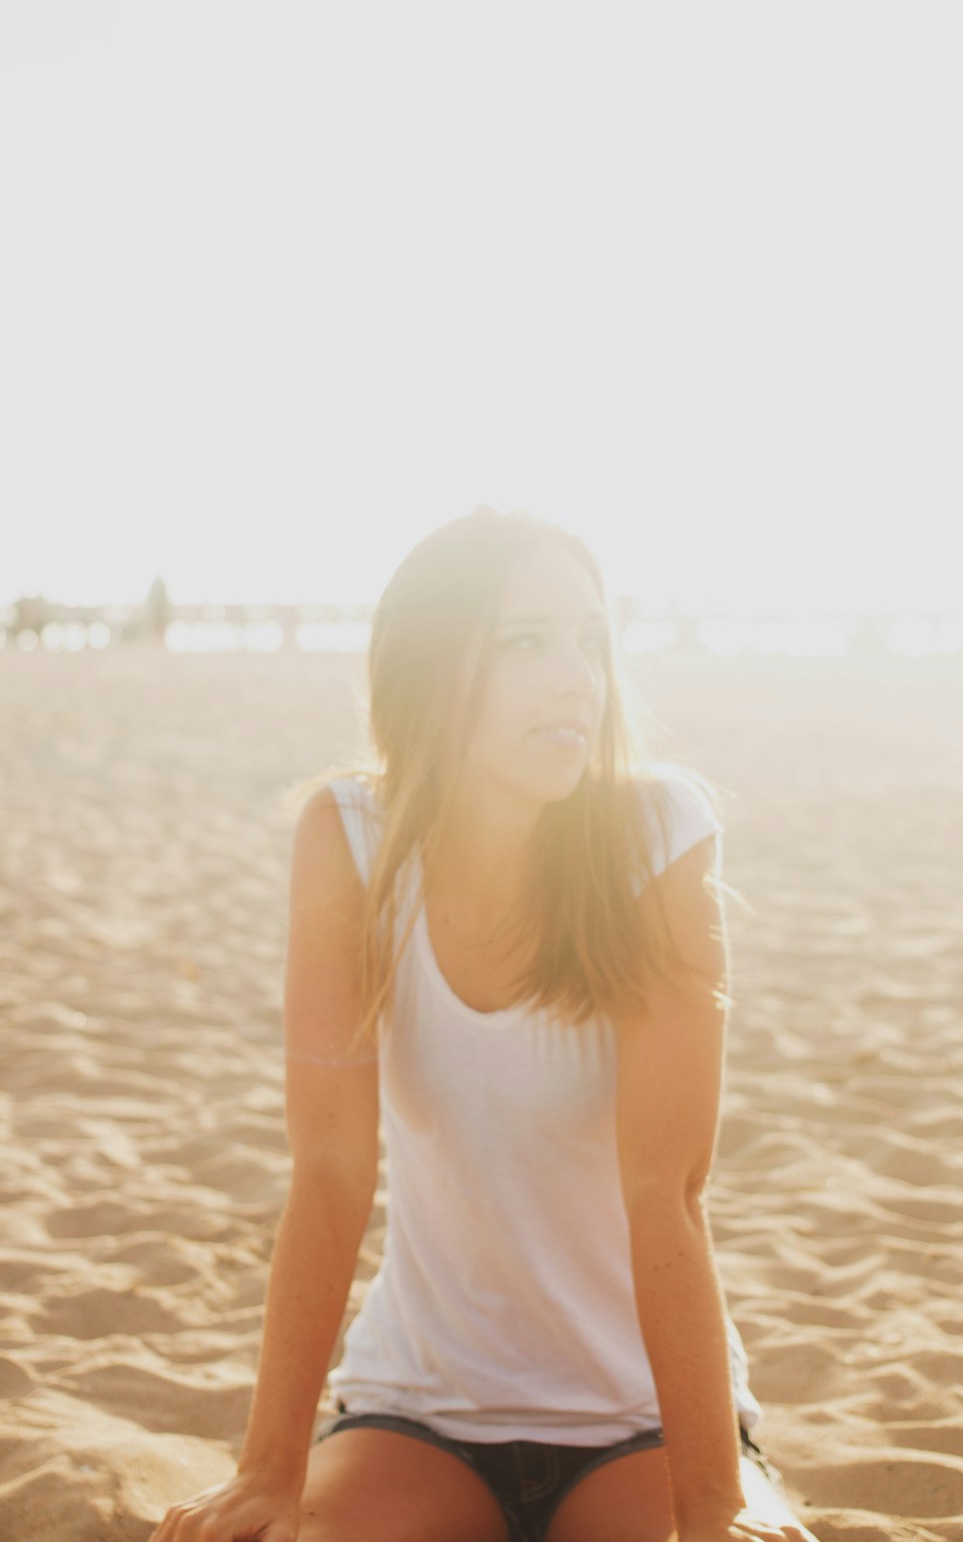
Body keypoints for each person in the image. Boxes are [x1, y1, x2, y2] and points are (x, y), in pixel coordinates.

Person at [149, 507, 819, 1542]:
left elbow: (667, 1191)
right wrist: (268, 1474)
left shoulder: (659, 835)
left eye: (590, 642)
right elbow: (330, 1167)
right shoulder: (351, 838)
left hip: (641, 1420)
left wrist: (715, 1508)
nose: (574, 680)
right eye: (525, 642)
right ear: (431, 668)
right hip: (420, 1410)